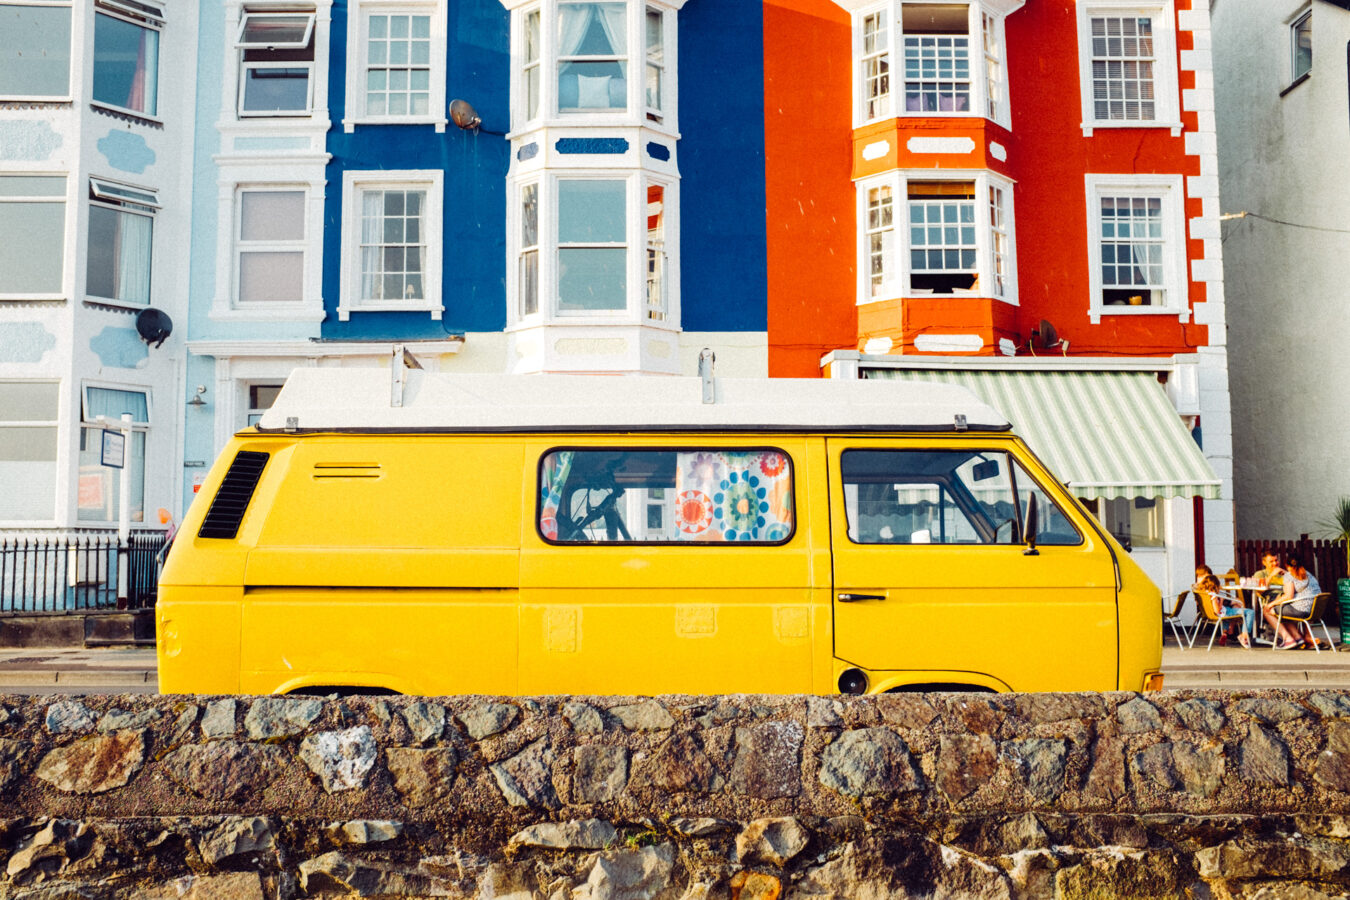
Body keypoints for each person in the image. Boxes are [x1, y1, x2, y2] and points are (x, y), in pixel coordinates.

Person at [1262, 554, 1321, 649]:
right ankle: (1299, 638)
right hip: (1315, 609)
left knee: (1268, 610)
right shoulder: (1309, 574)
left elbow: (1289, 596)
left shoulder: (1289, 576)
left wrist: (1270, 604)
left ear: (1288, 565)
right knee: (1281, 610)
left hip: (1301, 609)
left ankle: (1288, 639)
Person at [1199, 574, 1253, 648]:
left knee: (1236, 604)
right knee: (1250, 612)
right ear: (1215, 586)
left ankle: (1226, 632)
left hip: (1224, 611)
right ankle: (1244, 635)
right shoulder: (1214, 597)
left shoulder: (1207, 594)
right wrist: (1221, 600)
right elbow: (1217, 610)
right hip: (1225, 613)